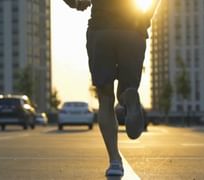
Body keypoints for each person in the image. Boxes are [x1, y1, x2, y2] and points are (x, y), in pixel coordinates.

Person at [63, 0, 160, 176]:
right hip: (133, 30)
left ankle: (115, 161)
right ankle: (128, 97)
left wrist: (76, 2)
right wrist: (147, 16)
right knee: (127, 88)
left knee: (106, 99)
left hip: (101, 30)